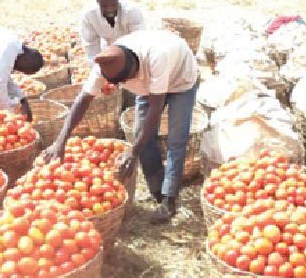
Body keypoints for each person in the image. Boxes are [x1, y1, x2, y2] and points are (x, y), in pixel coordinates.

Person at [44, 30, 198, 224]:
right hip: (148, 85)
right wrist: (61, 141)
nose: (124, 84)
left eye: (126, 79)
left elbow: (156, 108)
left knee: (176, 139)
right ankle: (157, 190)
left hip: (180, 79)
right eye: (119, 82)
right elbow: (82, 101)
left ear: (135, 64)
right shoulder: (105, 65)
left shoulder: (158, 56)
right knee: (140, 135)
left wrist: (133, 152)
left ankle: (169, 200)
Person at [79, 0, 145, 64]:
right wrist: (98, 69)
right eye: (104, 6)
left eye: (114, 5)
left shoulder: (131, 11)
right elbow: (91, 47)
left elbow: (139, 41)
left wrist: (133, 63)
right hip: (107, 49)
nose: (110, 10)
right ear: (97, 2)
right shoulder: (88, 16)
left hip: (130, 49)